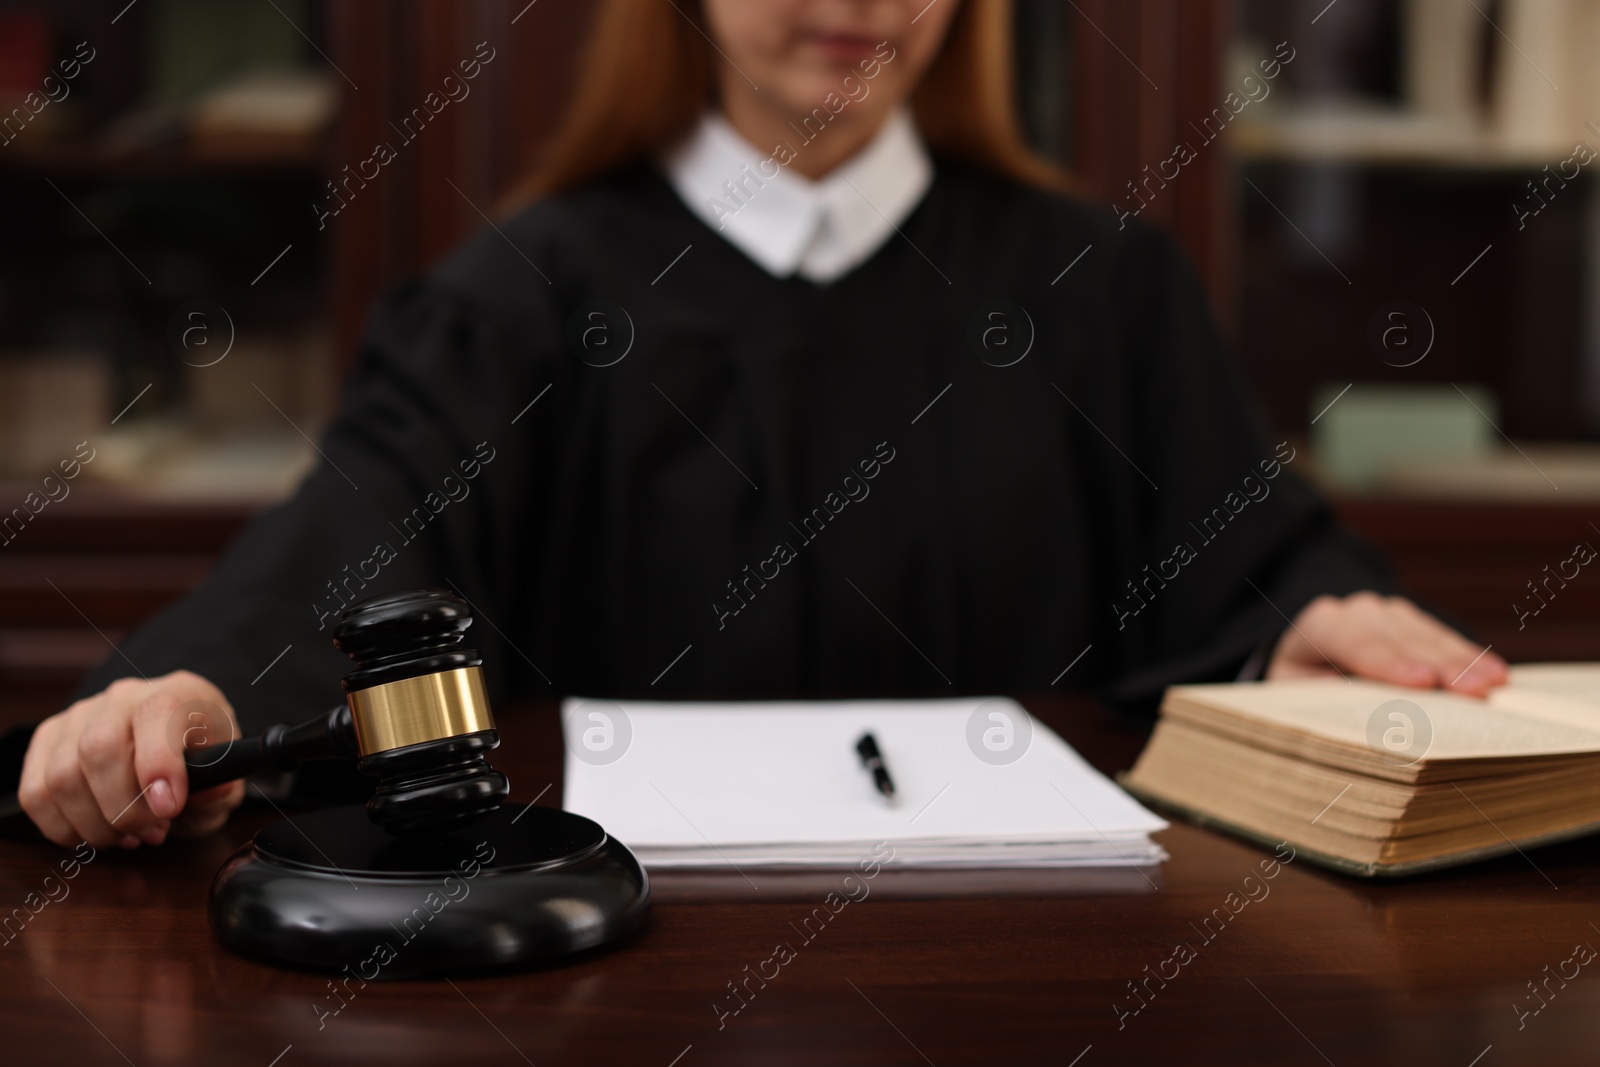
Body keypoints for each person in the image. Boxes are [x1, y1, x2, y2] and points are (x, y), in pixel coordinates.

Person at [17, 0, 1506, 850]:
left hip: (1034, 988)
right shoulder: (526, 295)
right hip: (619, 984)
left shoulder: (1100, 288)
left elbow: (1240, 549)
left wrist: (1300, 623)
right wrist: (207, 688)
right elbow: (355, 536)